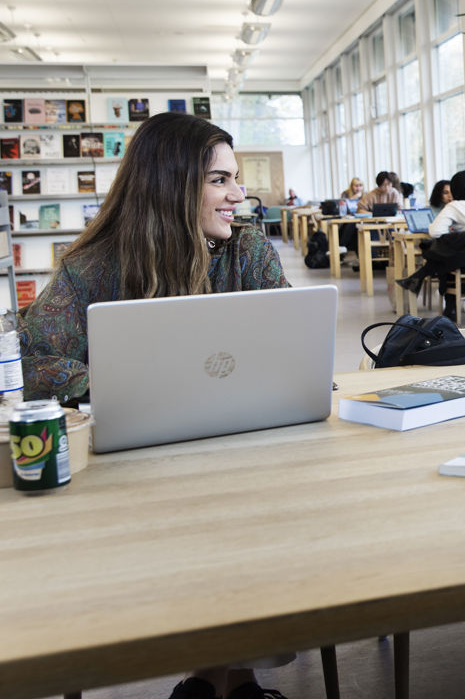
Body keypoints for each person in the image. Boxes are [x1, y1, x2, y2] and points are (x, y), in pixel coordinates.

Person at [17, 112, 290, 699]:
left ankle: (212, 682)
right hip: (135, 466)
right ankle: (232, 682)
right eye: (220, 180)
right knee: (218, 522)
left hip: (240, 447)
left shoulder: (248, 252)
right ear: (170, 184)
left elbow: (289, 337)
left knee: (250, 512)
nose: (238, 194)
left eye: (236, 179)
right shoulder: (92, 267)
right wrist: (125, 383)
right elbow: (36, 361)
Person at [396, 170, 465, 319]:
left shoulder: (455, 206)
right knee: (446, 254)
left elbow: (435, 232)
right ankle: (420, 281)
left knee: (441, 254)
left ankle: (447, 304)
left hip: (464, 261)